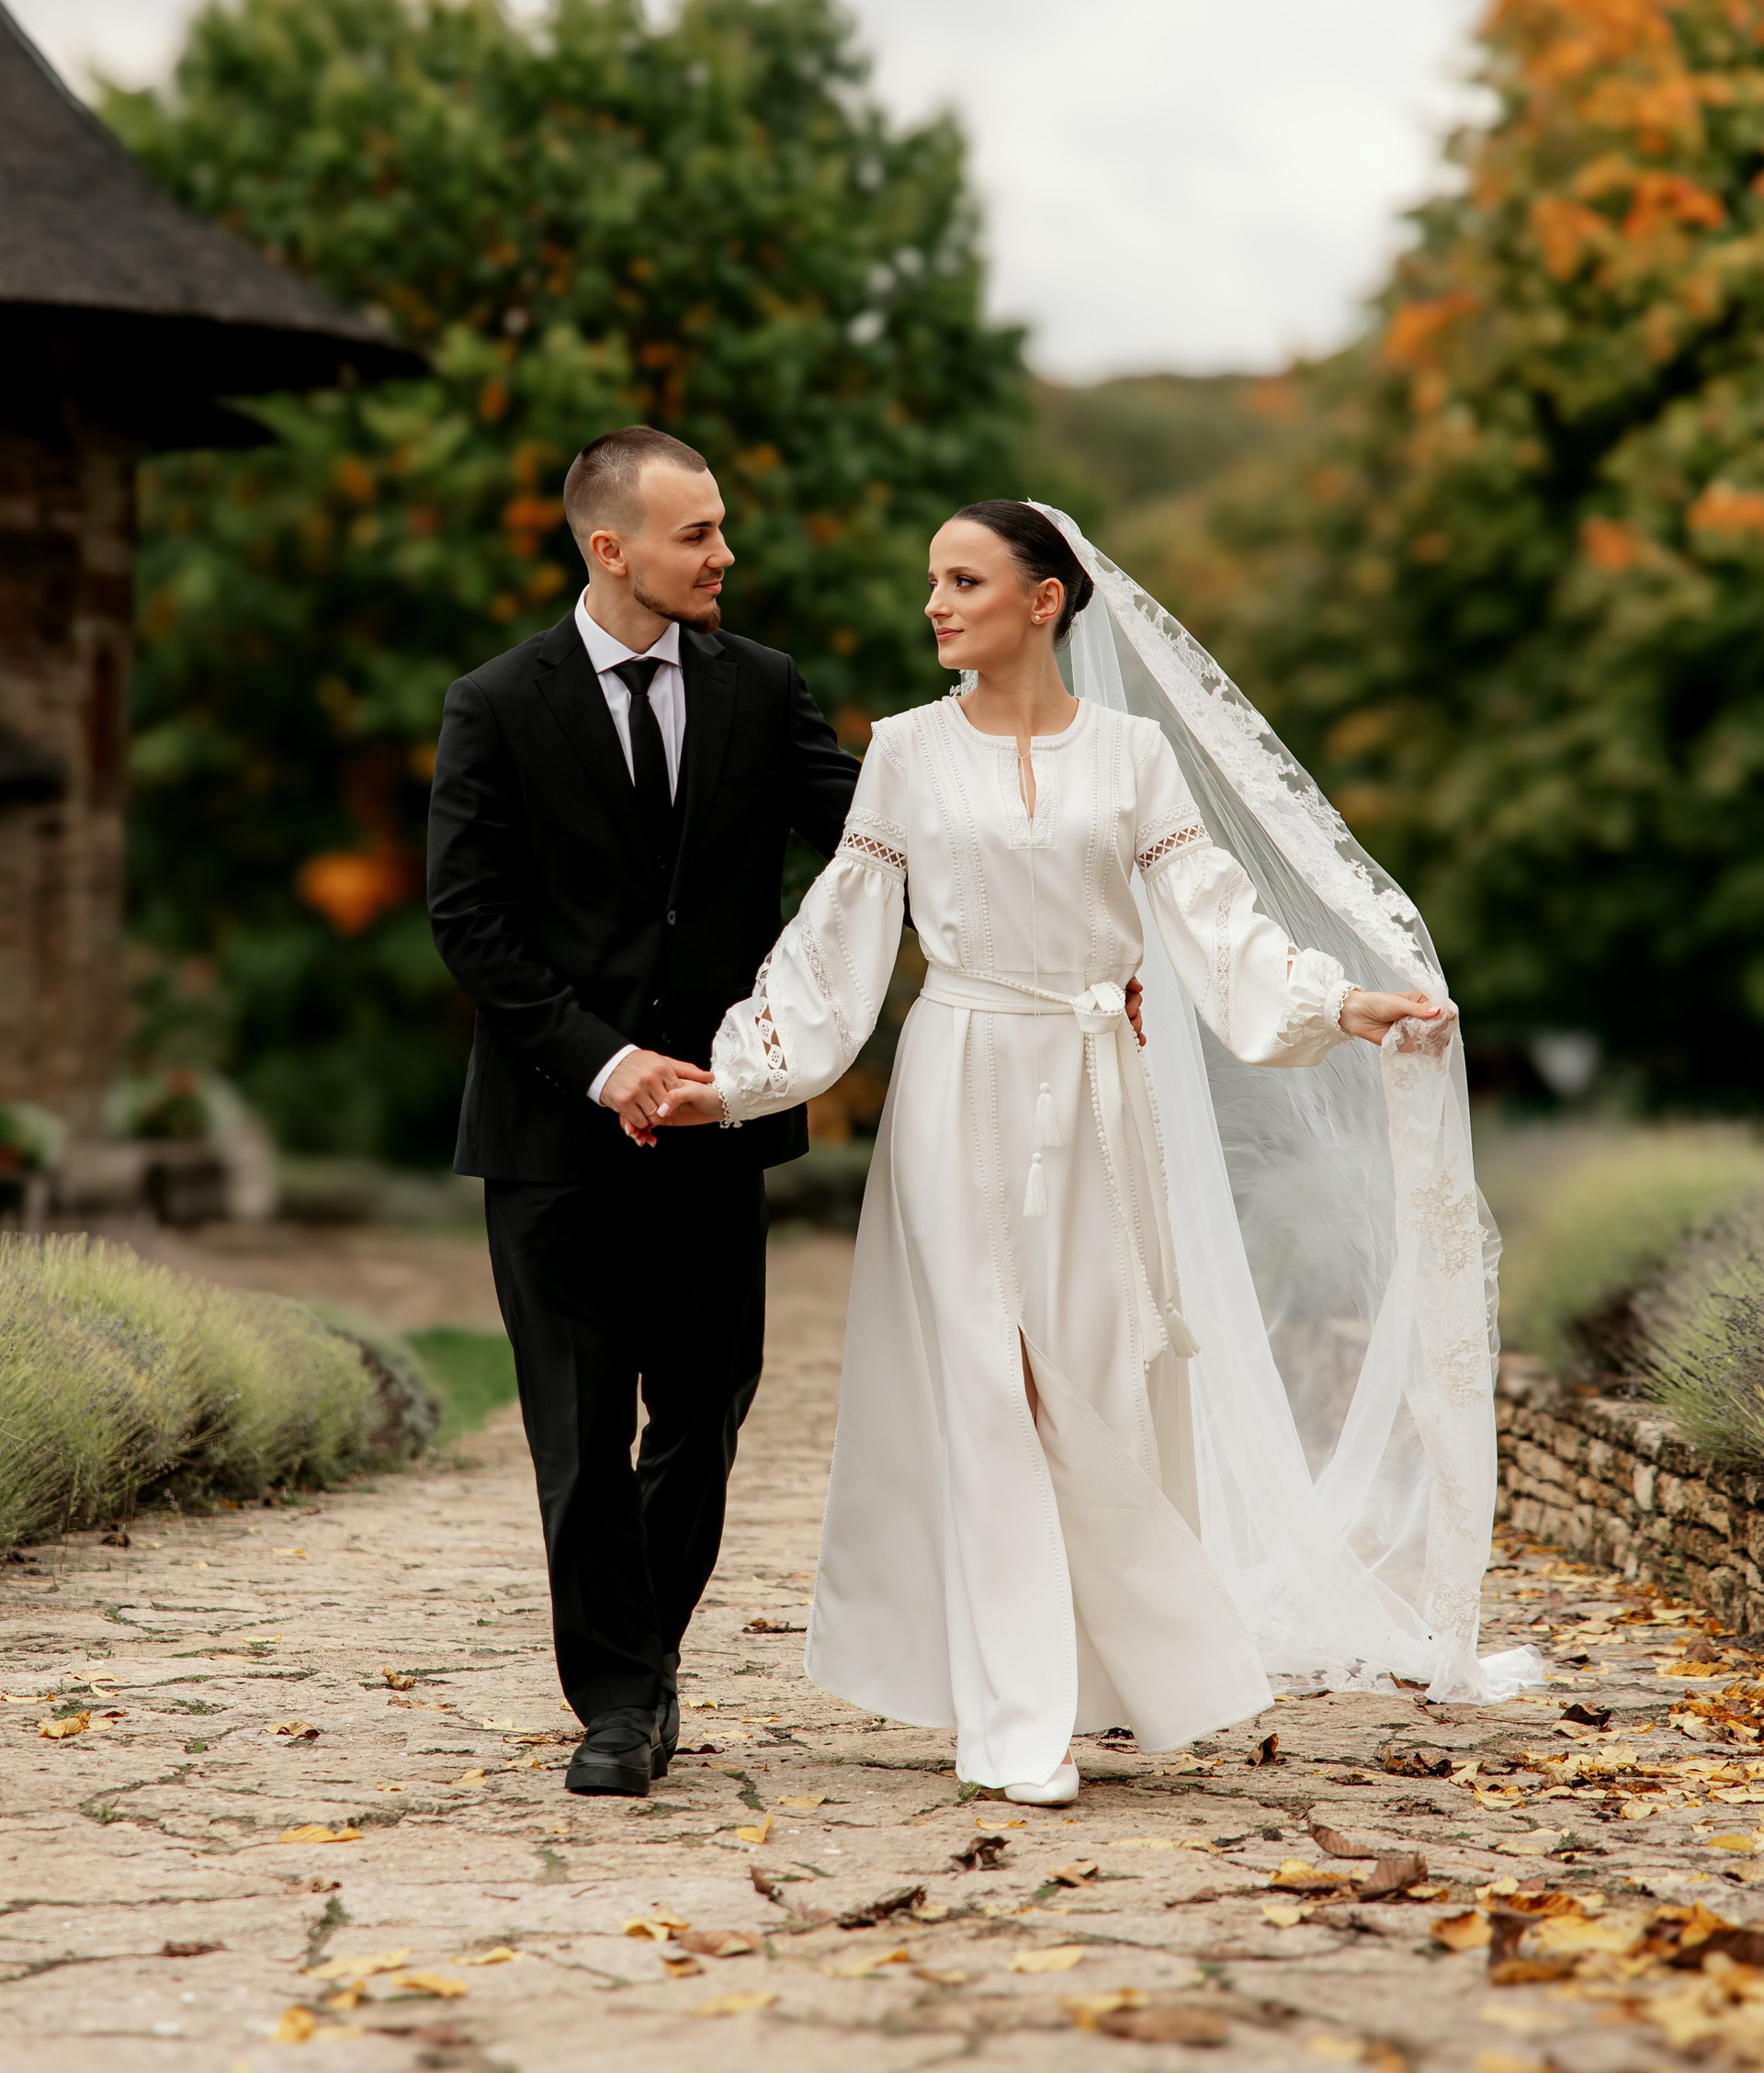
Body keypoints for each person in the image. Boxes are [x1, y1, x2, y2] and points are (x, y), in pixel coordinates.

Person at [650, 499, 1536, 1802]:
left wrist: (1339, 1002)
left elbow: (1215, 920)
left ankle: (1102, 1671)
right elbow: (840, 933)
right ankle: (1013, 1720)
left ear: (1045, 600)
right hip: (958, 1083)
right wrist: (734, 1077)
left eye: (965, 580)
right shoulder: (903, 751)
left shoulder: (1133, 756)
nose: (936, 603)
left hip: (1097, 1093)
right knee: (985, 1383)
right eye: (934, 581)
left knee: (1091, 1381)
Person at [425, 426, 862, 1797]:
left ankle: (640, 1654)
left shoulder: (764, 688)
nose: (726, 554)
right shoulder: (496, 703)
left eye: (721, 527)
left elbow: (878, 849)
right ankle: (619, 1703)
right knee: (576, 1429)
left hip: (718, 1122)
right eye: (698, 533)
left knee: (704, 1409)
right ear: (611, 548)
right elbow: (471, 923)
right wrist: (606, 1062)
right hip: (552, 1132)